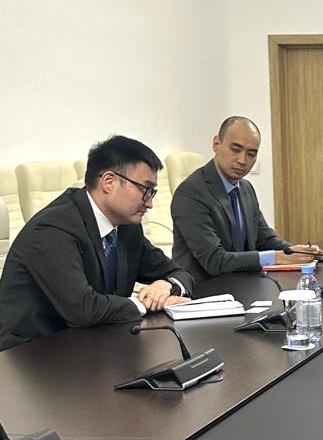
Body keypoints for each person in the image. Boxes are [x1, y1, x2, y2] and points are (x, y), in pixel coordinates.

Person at [0, 135, 193, 351]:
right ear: (109, 182)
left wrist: (167, 285)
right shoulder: (52, 228)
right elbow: (82, 309)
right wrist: (146, 305)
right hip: (31, 354)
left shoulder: (126, 226)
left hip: (92, 343)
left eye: (153, 192)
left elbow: (180, 272)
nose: (149, 203)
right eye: (145, 190)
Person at [171, 116, 319, 283]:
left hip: (243, 284)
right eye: (235, 149)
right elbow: (214, 260)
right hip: (205, 289)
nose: (242, 160)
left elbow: (264, 239)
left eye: (251, 154)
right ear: (216, 144)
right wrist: (278, 257)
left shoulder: (246, 188)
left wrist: (295, 252)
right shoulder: (190, 193)